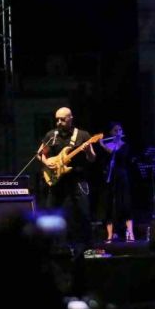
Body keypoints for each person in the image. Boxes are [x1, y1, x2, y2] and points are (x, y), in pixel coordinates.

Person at [38, 107, 96, 253]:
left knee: (83, 213)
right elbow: (40, 154)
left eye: (62, 119)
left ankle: (86, 247)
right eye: (57, 119)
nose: (58, 122)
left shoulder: (82, 135)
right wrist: (47, 163)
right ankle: (53, 247)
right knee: (51, 212)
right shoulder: (52, 135)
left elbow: (92, 158)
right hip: (57, 180)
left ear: (70, 118)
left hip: (77, 179)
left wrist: (88, 150)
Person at [98, 122, 134, 242]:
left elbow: (119, 156)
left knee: (125, 204)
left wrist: (103, 146)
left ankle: (130, 233)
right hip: (109, 177)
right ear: (111, 132)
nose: (118, 133)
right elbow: (102, 162)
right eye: (115, 130)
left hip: (122, 177)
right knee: (109, 205)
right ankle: (110, 235)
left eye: (120, 130)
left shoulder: (124, 145)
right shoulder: (107, 145)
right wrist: (102, 146)